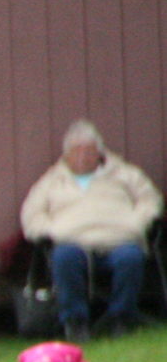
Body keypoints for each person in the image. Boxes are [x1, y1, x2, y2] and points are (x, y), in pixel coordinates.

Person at [19, 119, 162, 342]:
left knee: (131, 258)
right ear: (66, 155)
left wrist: (137, 222)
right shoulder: (52, 180)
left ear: (100, 153)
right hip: (73, 242)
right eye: (77, 151)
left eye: (90, 151)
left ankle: (121, 319)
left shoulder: (124, 173)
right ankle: (75, 323)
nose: (83, 157)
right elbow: (32, 213)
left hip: (118, 239)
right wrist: (51, 230)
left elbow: (150, 200)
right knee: (63, 258)